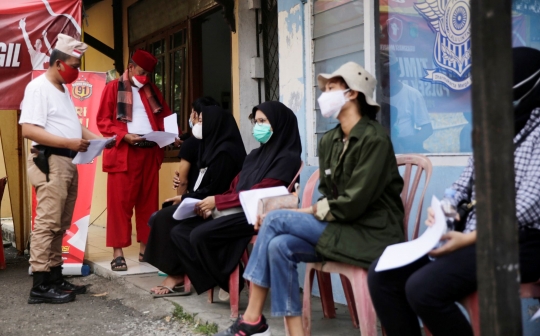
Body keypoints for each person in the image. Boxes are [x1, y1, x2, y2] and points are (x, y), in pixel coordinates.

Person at [215, 62, 405, 336]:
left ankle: (252, 318)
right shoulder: (329, 140)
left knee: (277, 219)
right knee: (279, 245)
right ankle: (295, 333)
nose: (324, 93)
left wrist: (303, 212)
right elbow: (331, 194)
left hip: (370, 234)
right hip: (340, 229)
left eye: (331, 88)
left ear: (352, 94)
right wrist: (307, 212)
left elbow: (353, 203)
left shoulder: (374, 140)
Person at [367, 47, 540, 336]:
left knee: (423, 289)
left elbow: (524, 207)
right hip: (467, 235)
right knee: (382, 275)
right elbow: (461, 186)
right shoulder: (494, 131)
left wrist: (469, 239)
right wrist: (444, 211)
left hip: (519, 242)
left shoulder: (537, 133)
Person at [170, 101, 302, 300]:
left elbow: (263, 191)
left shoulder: (287, 158)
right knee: (180, 231)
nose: (258, 126)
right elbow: (235, 186)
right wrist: (212, 204)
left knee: (200, 235)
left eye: (263, 121)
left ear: (279, 124)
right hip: (235, 208)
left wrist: (218, 203)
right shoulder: (255, 156)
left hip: (259, 214)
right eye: (256, 121)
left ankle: (231, 280)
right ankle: (221, 277)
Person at [20, 34, 114, 304]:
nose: (77, 70)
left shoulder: (62, 90)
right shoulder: (39, 87)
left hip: (67, 160)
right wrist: (70, 142)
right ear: (59, 64)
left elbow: (74, 126)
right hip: (50, 160)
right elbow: (29, 130)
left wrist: (100, 140)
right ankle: (39, 284)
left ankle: (54, 276)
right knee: (46, 224)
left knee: (60, 224)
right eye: (74, 65)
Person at [144, 105, 246, 296]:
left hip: (218, 206)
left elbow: (217, 188)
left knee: (169, 218)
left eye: (201, 120)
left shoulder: (226, 152)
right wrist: (186, 194)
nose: (197, 124)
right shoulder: (211, 146)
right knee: (166, 214)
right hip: (203, 201)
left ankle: (177, 275)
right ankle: (176, 271)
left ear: (214, 124)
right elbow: (204, 182)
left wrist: (185, 197)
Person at [96, 49, 180, 272]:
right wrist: (124, 136)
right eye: (141, 72)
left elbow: (165, 117)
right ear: (130, 67)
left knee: (148, 203)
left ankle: (146, 249)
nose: (145, 77)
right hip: (124, 153)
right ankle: (118, 253)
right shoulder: (113, 88)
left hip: (149, 152)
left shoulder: (152, 90)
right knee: (119, 205)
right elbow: (102, 121)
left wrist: (174, 135)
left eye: (148, 74)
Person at [381, 54, 433, 153]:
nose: (386, 79)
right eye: (384, 75)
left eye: (389, 75)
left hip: (405, 152)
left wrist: (412, 140)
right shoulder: (375, 95)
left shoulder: (413, 94)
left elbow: (427, 129)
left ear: (398, 72)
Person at [172, 97, 220, 196]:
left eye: (192, 112)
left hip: (197, 199)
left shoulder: (190, 143)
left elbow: (183, 182)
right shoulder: (221, 140)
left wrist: (179, 204)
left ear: (194, 115)